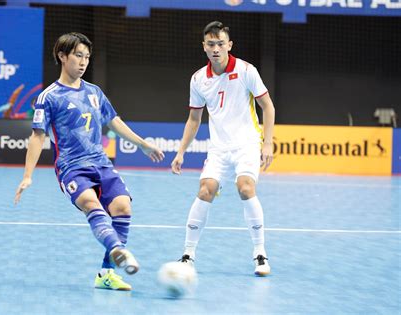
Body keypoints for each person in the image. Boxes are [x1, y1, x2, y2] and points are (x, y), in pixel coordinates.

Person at [14, 32, 165, 291]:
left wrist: (142, 143)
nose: (83, 62)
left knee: (122, 207)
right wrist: (28, 175)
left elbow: (113, 121)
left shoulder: (94, 92)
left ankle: (106, 274)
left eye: (87, 57)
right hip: (72, 167)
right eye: (78, 56)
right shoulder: (49, 97)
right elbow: (37, 136)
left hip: (101, 163)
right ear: (63, 56)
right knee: (90, 204)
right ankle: (118, 249)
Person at [171, 21, 275, 276]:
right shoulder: (198, 79)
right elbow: (194, 120)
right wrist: (181, 151)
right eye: (211, 44)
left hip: (247, 144)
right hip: (218, 148)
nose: (216, 48)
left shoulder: (246, 70)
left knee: (246, 187)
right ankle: (188, 254)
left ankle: (260, 254)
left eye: (220, 44)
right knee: (205, 190)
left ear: (229, 45)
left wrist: (268, 142)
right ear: (204, 47)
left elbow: (268, 107)